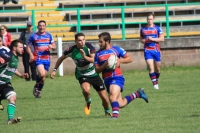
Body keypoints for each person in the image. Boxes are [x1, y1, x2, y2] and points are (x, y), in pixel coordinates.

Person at [50, 33, 111, 116]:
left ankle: (107, 112)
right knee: (86, 90)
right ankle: (88, 102)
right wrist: (54, 70)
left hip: (94, 74)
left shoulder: (89, 47)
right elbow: (61, 58)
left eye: (83, 40)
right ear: (75, 41)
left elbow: (94, 59)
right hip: (82, 74)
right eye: (80, 40)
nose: (82, 42)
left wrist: (84, 56)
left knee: (104, 98)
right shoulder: (71, 50)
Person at [94, 32, 148, 118]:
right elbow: (96, 70)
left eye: (101, 42)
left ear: (107, 41)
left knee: (112, 97)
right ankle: (138, 94)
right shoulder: (98, 54)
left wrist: (120, 61)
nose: (99, 44)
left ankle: (115, 116)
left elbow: (129, 58)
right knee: (120, 103)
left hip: (117, 77)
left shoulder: (116, 49)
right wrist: (104, 65)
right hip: (107, 80)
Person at [0, 38, 29, 124]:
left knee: (13, 97)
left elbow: (12, 68)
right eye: (20, 47)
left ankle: (10, 119)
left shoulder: (16, 57)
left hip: (5, 83)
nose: (22, 49)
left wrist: (21, 75)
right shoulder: (8, 56)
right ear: (14, 48)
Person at [26, 20, 56, 98]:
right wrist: (31, 55)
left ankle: (38, 92)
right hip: (38, 58)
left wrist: (52, 47)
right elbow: (28, 47)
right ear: (38, 26)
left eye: (43, 25)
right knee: (42, 74)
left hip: (47, 59)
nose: (42, 27)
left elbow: (54, 47)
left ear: (45, 26)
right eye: (40, 25)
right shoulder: (34, 36)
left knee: (43, 78)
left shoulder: (49, 36)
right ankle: (37, 84)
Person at [139, 13, 164, 90]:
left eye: (151, 19)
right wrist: (144, 40)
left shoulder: (157, 28)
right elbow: (140, 39)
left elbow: (162, 39)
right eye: (148, 19)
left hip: (156, 50)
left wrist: (153, 39)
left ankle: (156, 80)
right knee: (150, 67)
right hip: (147, 50)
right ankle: (155, 85)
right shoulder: (143, 29)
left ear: (153, 20)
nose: (149, 20)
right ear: (146, 20)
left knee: (158, 69)